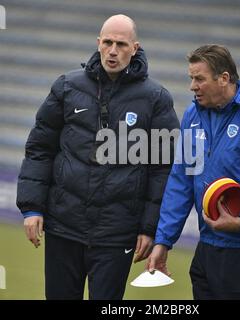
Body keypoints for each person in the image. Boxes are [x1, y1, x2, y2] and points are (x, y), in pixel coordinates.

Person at [16, 14, 179, 300]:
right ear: (98, 43)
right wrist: (32, 208)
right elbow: (40, 148)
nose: (113, 51)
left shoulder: (156, 99)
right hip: (63, 226)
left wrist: (149, 227)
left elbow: (162, 169)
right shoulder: (67, 86)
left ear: (135, 48)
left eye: (121, 44)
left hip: (117, 233)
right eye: (107, 42)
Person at [147, 44, 240, 300]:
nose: (192, 86)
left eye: (199, 79)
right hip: (207, 247)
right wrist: (164, 241)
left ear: (224, 78)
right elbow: (182, 180)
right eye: (191, 78)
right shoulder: (192, 115)